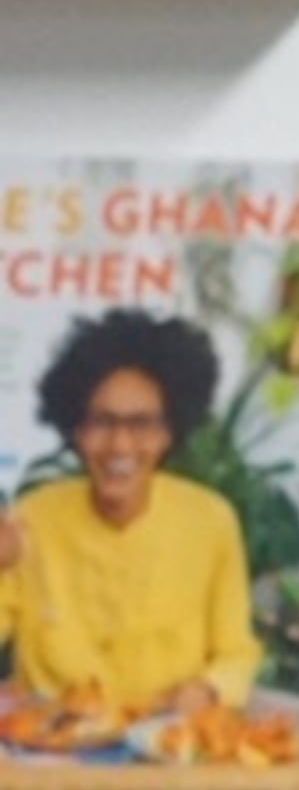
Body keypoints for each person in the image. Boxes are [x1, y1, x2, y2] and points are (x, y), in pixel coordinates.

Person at [0, 313, 257, 743]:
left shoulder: (211, 521)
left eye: (141, 425)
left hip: (166, 753)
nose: (119, 445)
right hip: (55, 756)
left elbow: (237, 652)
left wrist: (209, 690)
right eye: (101, 423)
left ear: (168, 433)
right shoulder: (32, 520)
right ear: (76, 431)